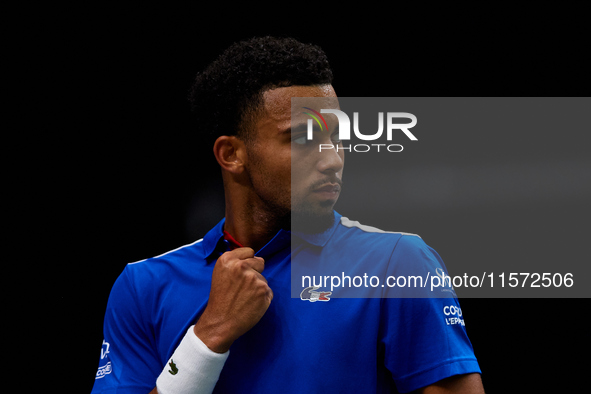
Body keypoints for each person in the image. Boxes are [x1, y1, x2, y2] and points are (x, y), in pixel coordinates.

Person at [91, 36, 484, 393]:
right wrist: (209, 337)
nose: (331, 159)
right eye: (302, 138)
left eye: (337, 137)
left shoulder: (398, 262)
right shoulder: (143, 285)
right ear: (231, 155)